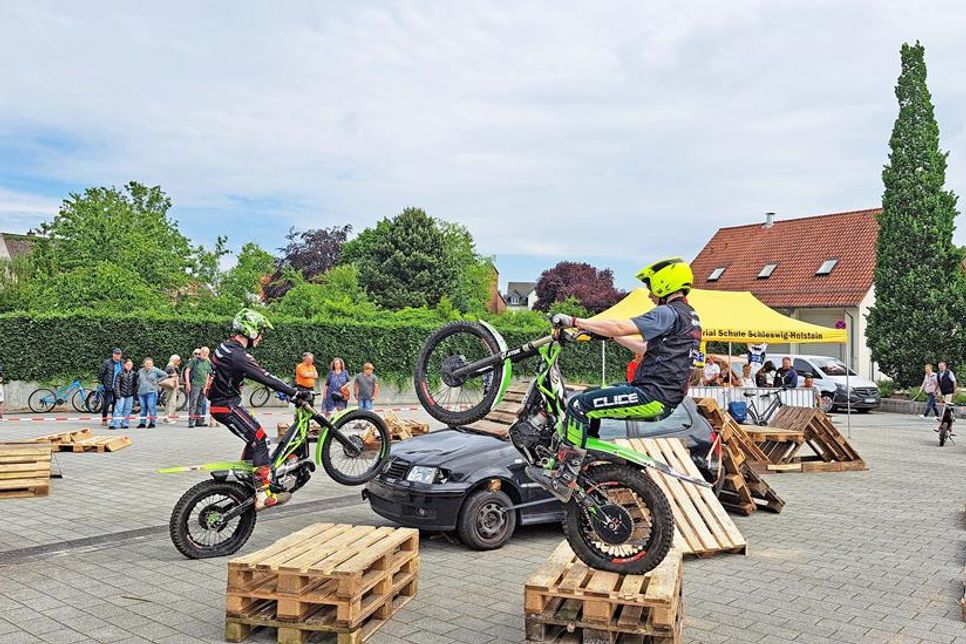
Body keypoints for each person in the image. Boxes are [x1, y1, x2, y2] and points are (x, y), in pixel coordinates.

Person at [527, 257, 702, 501]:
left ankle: (565, 478)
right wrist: (610, 336)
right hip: (661, 394)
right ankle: (582, 458)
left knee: (578, 405)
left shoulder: (667, 312)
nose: (649, 294)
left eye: (651, 286)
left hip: (653, 395)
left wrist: (575, 321)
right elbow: (644, 349)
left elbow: (620, 326)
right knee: (590, 395)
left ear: (664, 283)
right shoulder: (688, 316)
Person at [207, 309, 306, 511]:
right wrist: (294, 392)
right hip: (227, 406)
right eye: (260, 332)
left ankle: (248, 479)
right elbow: (265, 376)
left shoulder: (225, 347)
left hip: (224, 403)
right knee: (261, 440)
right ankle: (262, 494)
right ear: (250, 331)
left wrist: (283, 392)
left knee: (254, 438)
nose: (261, 337)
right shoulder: (238, 356)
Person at [136, 357, 169, 428]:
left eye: (150, 363)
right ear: (144, 364)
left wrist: (157, 381)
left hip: (151, 392)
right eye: (147, 363)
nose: (148, 364)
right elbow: (138, 379)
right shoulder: (140, 371)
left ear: (152, 364)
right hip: (141, 392)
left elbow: (165, 375)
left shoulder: (155, 370)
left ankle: (152, 422)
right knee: (143, 408)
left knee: (151, 407)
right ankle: (142, 423)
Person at [184, 347, 212, 428]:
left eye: (207, 352)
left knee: (200, 403)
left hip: (203, 385)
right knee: (193, 403)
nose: (205, 354)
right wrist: (188, 383)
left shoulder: (207, 362)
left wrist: (205, 387)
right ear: (200, 352)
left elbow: (207, 375)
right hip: (195, 384)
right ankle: (191, 422)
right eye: (203, 352)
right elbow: (187, 371)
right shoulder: (194, 360)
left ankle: (199, 421)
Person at [97, 348, 124, 425]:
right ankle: (104, 420)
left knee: (116, 404)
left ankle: (113, 419)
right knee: (107, 403)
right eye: (116, 354)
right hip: (109, 386)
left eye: (119, 354)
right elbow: (101, 374)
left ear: (121, 355)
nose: (117, 355)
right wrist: (104, 383)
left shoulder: (122, 362)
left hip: (118, 387)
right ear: (113, 354)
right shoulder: (107, 362)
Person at [110, 359, 137, 429]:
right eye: (128, 364)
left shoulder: (134, 374)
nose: (129, 366)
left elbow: (136, 384)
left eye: (130, 365)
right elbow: (116, 384)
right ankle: (114, 424)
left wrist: (134, 393)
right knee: (118, 409)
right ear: (124, 365)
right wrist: (117, 394)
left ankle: (125, 423)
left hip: (130, 395)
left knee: (127, 410)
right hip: (121, 394)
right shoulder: (120, 373)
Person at [161, 354, 182, 424]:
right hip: (170, 386)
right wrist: (171, 375)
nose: (179, 362)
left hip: (172, 386)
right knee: (171, 402)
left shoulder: (174, 366)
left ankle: (167, 418)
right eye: (178, 360)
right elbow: (164, 375)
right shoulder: (169, 367)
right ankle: (168, 418)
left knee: (171, 402)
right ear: (174, 360)